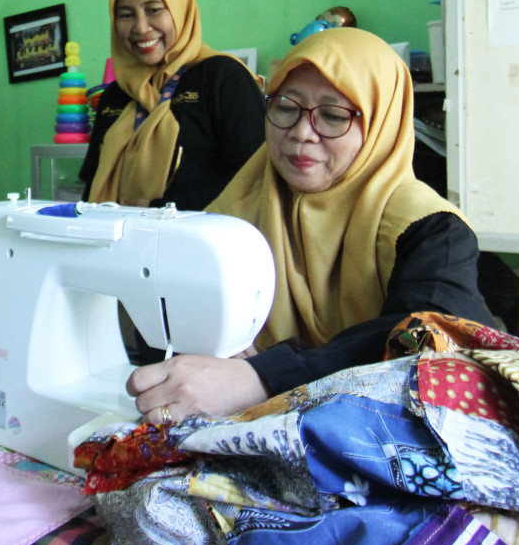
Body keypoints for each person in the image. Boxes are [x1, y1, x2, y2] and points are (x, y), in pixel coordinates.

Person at [126, 28, 496, 423]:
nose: (302, 133)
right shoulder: (232, 215)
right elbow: (175, 326)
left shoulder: (429, 230)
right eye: (286, 107)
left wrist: (264, 375)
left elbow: (430, 341)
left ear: (380, 124)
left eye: (333, 116)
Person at [79, 0, 265, 211]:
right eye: (126, 14)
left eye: (154, 10)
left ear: (180, 8)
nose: (141, 27)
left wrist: (161, 208)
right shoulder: (115, 95)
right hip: (114, 235)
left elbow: (255, 177)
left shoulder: (223, 77)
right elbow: (91, 189)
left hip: (201, 234)